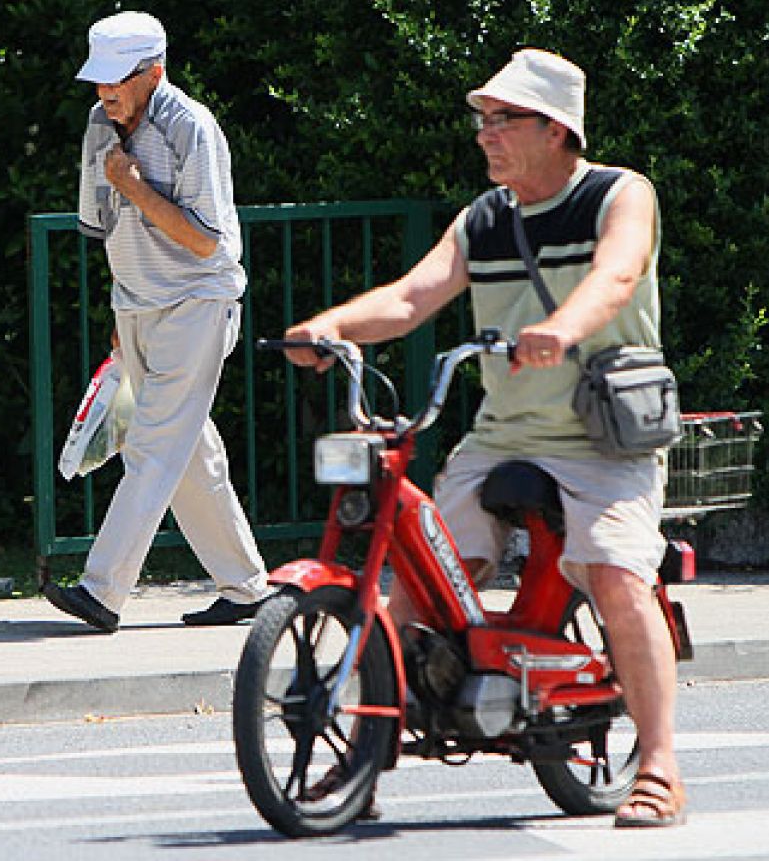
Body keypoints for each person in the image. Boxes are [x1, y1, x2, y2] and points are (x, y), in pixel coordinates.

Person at [284, 49, 685, 828]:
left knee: (614, 577)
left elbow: (617, 276)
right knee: (425, 578)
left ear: (557, 128)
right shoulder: (486, 217)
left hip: (603, 440)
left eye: (504, 120)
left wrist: (563, 329)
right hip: (503, 436)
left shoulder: (618, 193)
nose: (486, 135)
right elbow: (410, 299)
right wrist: (329, 328)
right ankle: (361, 750)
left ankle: (661, 765)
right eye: (484, 120)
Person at [42, 11, 271, 633]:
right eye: (98, 80)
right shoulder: (98, 125)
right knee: (187, 452)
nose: (104, 92)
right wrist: (123, 310)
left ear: (154, 72)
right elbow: (107, 228)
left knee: (149, 446)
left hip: (198, 300)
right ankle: (247, 588)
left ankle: (102, 590)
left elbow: (204, 243)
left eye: (117, 80)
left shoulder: (190, 125)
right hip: (139, 305)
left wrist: (136, 187)